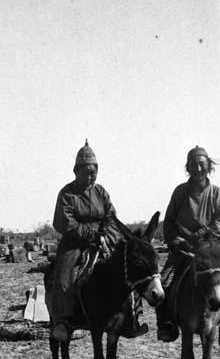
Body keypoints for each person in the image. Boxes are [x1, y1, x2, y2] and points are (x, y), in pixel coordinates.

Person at [50, 140, 148, 341]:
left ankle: (131, 318)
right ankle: (64, 321)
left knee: (129, 268)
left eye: (93, 171)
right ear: (76, 171)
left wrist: (104, 234)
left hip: (105, 239)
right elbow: (65, 222)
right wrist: (90, 235)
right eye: (86, 171)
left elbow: (111, 216)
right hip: (75, 242)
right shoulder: (67, 193)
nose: (90, 175)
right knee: (65, 274)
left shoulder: (101, 192)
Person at [156, 145, 220, 347]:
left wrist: (202, 234)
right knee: (164, 282)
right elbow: (169, 221)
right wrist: (174, 240)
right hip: (185, 248)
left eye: (202, 164)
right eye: (193, 165)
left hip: (212, 249)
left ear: (209, 167)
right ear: (187, 168)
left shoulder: (216, 193)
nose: (197, 168)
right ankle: (167, 324)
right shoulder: (180, 192)